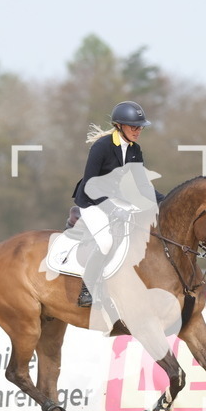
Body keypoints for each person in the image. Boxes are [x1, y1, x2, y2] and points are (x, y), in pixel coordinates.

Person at [69, 100, 163, 308]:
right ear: (119, 126)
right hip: (92, 201)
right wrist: (112, 209)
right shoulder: (101, 147)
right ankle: (87, 289)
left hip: (118, 201)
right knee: (106, 242)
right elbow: (90, 186)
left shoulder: (135, 150)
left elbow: (142, 186)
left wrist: (166, 201)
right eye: (134, 127)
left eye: (140, 127)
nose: (138, 131)